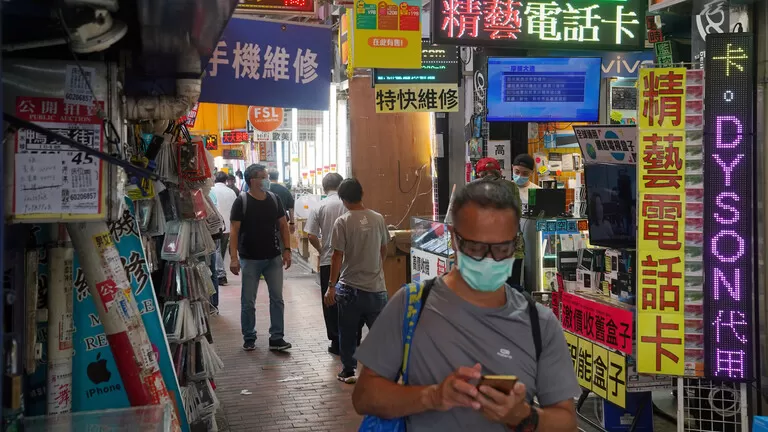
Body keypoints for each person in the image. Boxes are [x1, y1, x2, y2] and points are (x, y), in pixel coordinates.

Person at [352, 180, 580, 431]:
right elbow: (364, 396)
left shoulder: (540, 323)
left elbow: (567, 422)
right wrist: (432, 396)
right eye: (476, 247)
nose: (489, 259)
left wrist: (523, 416)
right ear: (454, 238)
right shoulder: (411, 305)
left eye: (502, 248)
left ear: (515, 243)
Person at [324, 178, 390, 384]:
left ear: (343, 199)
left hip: (350, 288)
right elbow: (384, 248)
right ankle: (383, 371)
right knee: (380, 332)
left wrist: (331, 286)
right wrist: (376, 268)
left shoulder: (342, 222)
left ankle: (349, 371)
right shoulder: (378, 218)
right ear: (362, 194)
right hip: (377, 288)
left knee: (348, 332)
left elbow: (337, 256)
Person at [229, 164, 293, 352]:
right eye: (263, 177)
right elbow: (234, 231)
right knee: (248, 300)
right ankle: (249, 337)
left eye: (266, 176)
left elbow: (283, 225)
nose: (266, 180)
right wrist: (233, 257)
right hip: (250, 259)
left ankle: (277, 337)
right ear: (252, 180)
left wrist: (287, 249)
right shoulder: (241, 201)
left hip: (273, 257)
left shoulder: (274, 199)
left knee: (277, 298)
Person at [305, 173, 365, 355]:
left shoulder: (319, 206)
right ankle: (354, 338)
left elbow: (311, 235)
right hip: (353, 261)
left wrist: (322, 249)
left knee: (330, 301)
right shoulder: (351, 205)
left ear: (324, 188)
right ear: (341, 186)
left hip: (328, 261)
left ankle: (336, 341)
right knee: (353, 300)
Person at [211, 172, 237, 286]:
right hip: (228, 225)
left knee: (217, 250)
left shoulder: (212, 190)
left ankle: (220, 275)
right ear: (226, 180)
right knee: (221, 250)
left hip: (216, 225)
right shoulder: (231, 192)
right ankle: (220, 273)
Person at [267, 169, 296, 235]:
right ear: (278, 176)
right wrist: (292, 223)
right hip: (282, 222)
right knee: (282, 239)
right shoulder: (285, 190)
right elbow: (291, 208)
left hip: (268, 222)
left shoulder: (265, 189)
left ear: (268, 177)